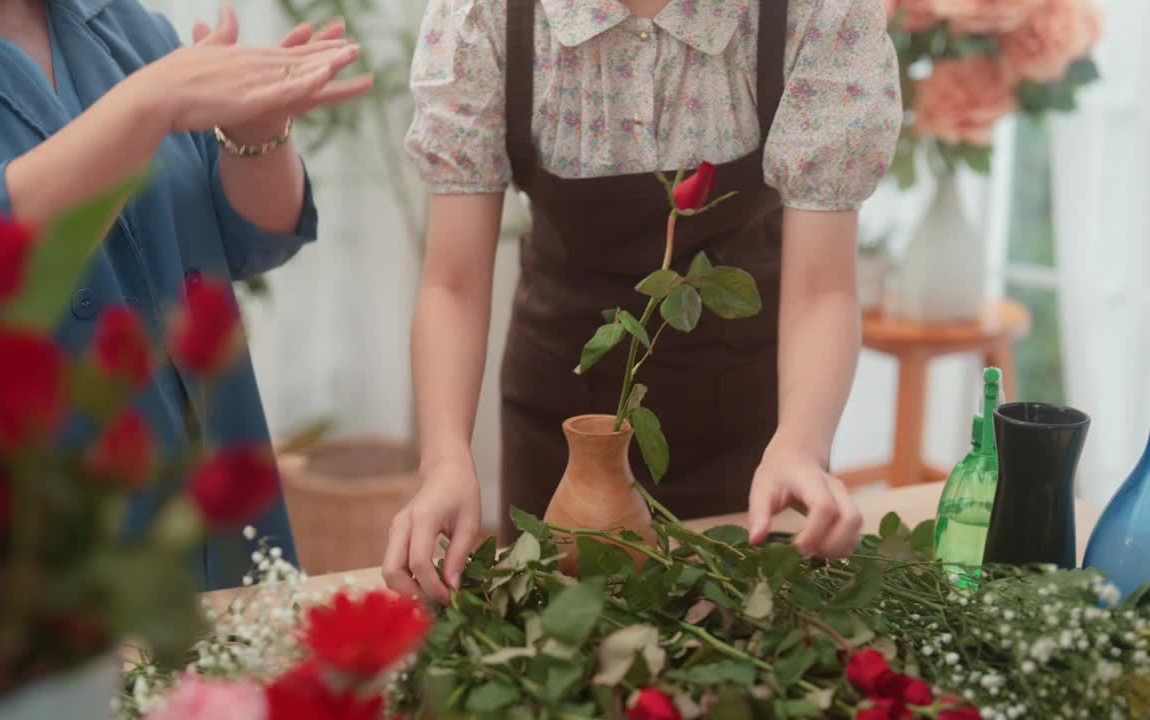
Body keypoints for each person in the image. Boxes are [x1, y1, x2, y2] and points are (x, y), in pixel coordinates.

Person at [385, 0, 901, 601]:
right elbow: (453, 284)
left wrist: (802, 444)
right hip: (560, 418)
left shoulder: (816, 13)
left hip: (755, 431)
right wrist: (444, 459)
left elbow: (822, 290)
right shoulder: (487, 16)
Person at [0, 0, 372, 590]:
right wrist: (147, 106)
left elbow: (252, 238)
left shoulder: (124, 25)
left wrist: (257, 131)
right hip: (41, 543)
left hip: (217, 504)